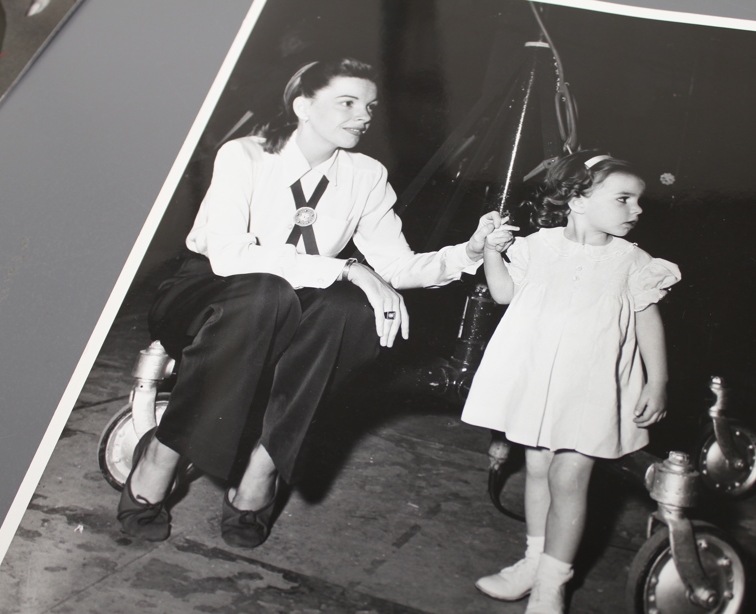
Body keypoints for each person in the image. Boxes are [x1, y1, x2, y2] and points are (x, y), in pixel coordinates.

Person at [117, 58, 501, 548]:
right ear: (302, 105)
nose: (363, 115)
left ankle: (263, 464)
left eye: (369, 105)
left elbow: (396, 268)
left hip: (296, 302)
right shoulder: (246, 155)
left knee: (350, 310)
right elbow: (232, 256)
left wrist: (467, 253)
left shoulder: (366, 174)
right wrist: (347, 267)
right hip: (207, 293)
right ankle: (164, 453)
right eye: (347, 102)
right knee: (266, 293)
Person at [461, 151, 681, 614]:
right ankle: (533, 562)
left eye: (638, 200)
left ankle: (553, 584)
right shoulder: (538, 247)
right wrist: (492, 252)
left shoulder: (631, 261)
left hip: (593, 387)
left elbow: (647, 323)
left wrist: (657, 380)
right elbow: (503, 293)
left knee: (569, 475)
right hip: (540, 380)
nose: (636, 209)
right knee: (538, 469)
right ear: (578, 199)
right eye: (623, 198)